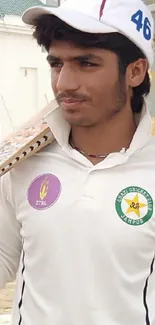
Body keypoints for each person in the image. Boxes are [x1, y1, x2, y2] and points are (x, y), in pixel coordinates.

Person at [0, 0, 155, 324]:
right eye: (57, 64)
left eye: (86, 64)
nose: (64, 84)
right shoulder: (21, 165)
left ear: (135, 71)